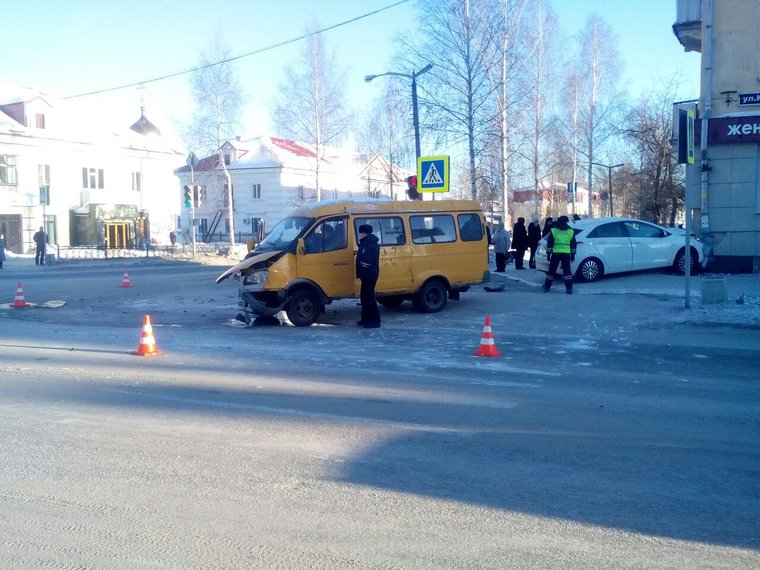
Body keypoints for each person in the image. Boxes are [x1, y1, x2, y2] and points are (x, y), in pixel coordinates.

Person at [542, 215, 577, 294]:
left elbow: (550, 243)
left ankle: (547, 287)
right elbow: (573, 244)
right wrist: (573, 255)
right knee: (567, 272)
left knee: (551, 271)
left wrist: (548, 254)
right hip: (566, 254)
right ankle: (569, 289)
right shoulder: (570, 231)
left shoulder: (554, 230)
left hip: (556, 253)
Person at [355, 224, 381, 328]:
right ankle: (366, 319)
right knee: (365, 297)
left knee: (369, 298)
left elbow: (367, 261)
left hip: (369, 274)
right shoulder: (367, 243)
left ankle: (374, 321)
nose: (359, 234)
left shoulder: (368, 244)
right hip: (368, 274)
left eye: (361, 232)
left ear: (365, 233)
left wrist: (361, 264)